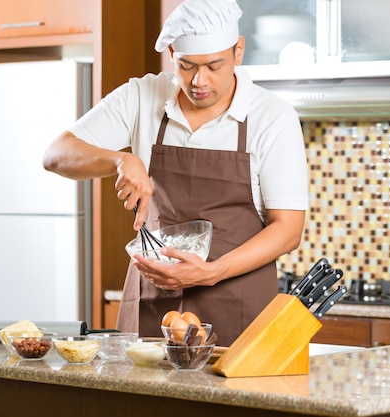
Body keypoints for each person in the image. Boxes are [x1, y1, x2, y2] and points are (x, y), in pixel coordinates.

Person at [42, 0, 309, 346]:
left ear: (238, 51)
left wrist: (211, 272)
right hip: (153, 306)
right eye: (187, 66)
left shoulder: (272, 117)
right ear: (171, 53)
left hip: (238, 309)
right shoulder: (142, 96)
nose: (200, 81)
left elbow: (288, 229)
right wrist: (119, 161)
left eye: (215, 66)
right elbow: (56, 154)